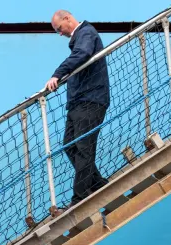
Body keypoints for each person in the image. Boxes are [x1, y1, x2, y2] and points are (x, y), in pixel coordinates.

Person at [45, 9, 111, 208]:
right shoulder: (81, 37)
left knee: (83, 148)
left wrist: (58, 73)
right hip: (79, 102)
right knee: (70, 144)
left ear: (67, 18)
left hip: (90, 100)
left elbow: (82, 54)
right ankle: (98, 184)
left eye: (59, 28)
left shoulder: (86, 33)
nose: (60, 33)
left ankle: (79, 198)